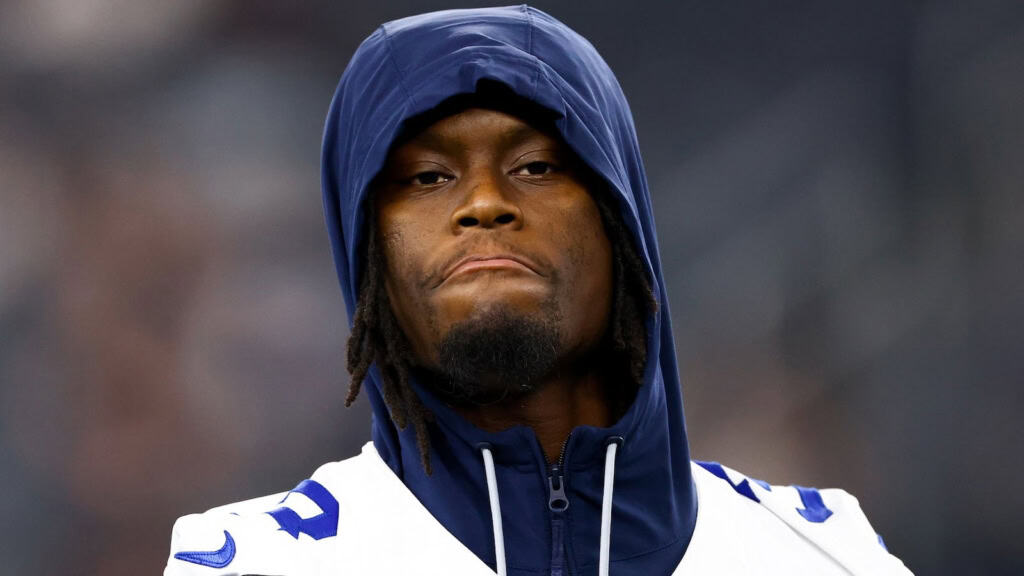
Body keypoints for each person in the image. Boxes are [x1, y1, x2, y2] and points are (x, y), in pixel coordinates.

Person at [164, 6, 912, 575]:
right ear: (365, 255)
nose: (484, 203)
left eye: (536, 167)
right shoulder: (255, 563)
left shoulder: (825, 554)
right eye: (428, 177)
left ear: (622, 224)